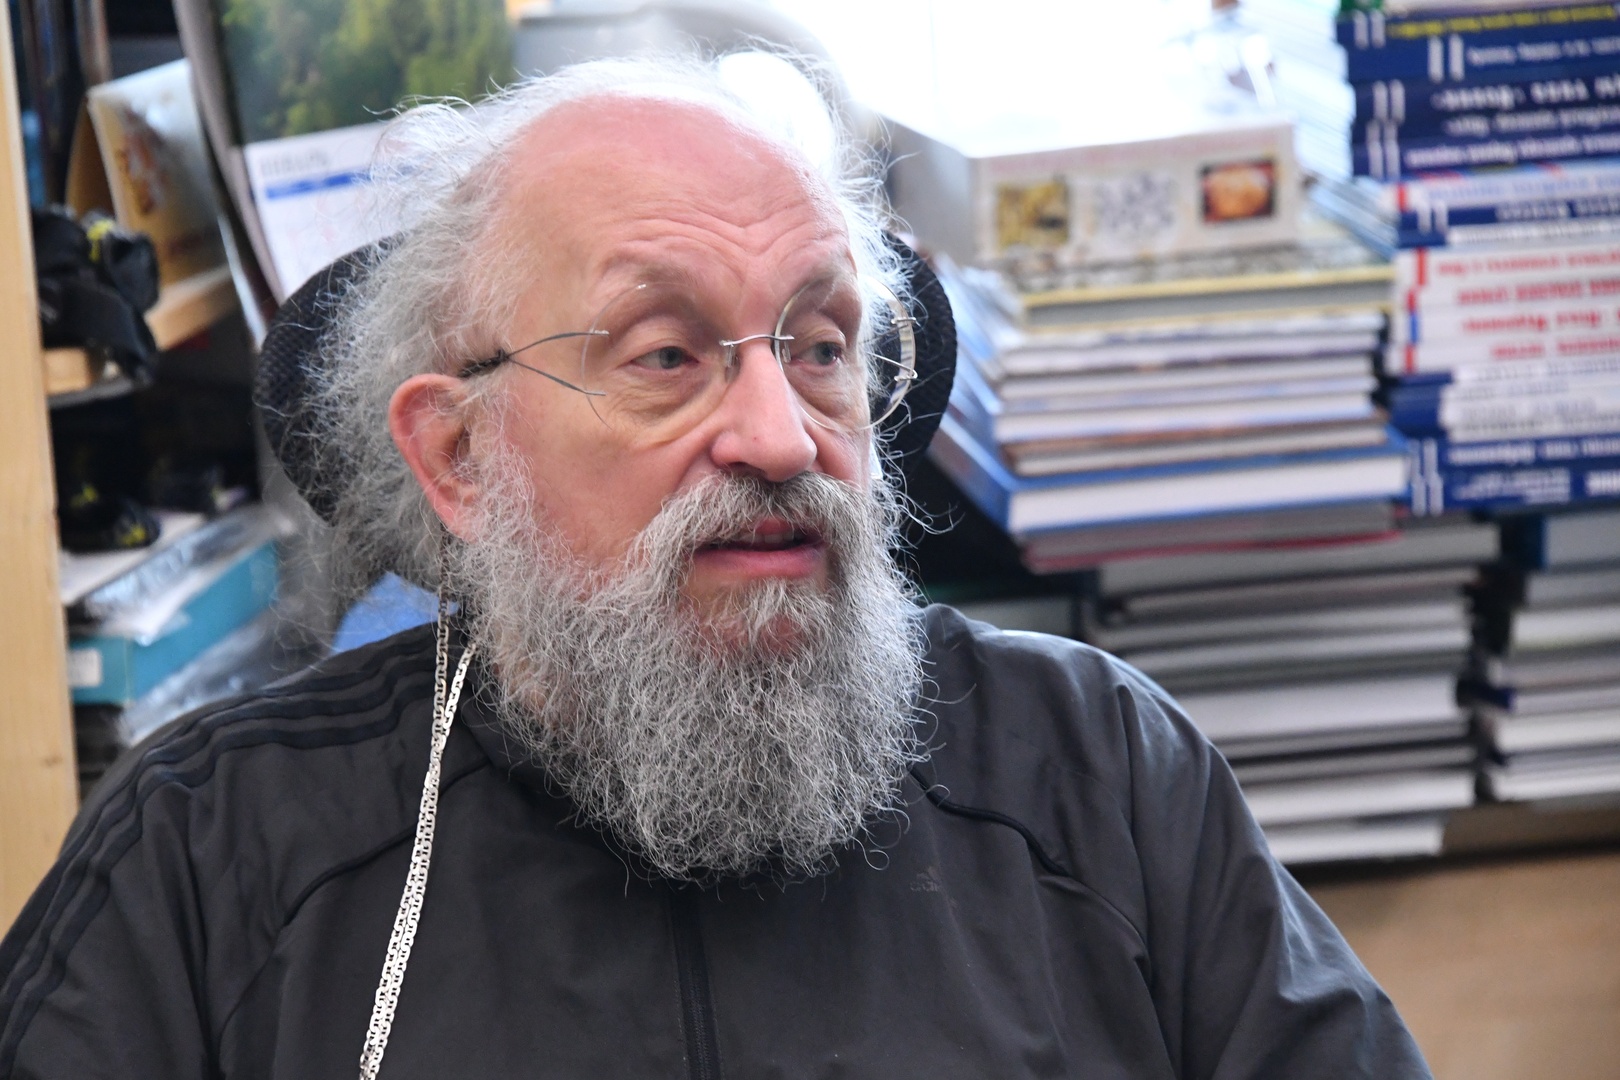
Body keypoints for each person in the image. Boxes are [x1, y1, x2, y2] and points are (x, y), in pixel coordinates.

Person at [0, 55, 1432, 1078]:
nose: (779, 435)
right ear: (460, 457)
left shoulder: (1097, 776)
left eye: (821, 348)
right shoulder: (214, 856)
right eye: (666, 356)